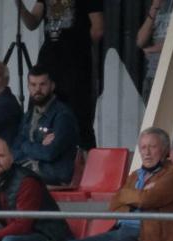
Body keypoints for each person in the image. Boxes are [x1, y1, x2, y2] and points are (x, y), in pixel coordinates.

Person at [63, 127, 173, 241]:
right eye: (143, 147)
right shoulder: (135, 174)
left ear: (165, 150)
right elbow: (115, 203)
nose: (147, 152)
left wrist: (133, 196)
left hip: (149, 238)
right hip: (122, 232)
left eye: (153, 147)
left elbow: (147, 200)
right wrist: (139, 194)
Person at [16, 0, 105, 151]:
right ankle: (37, 153)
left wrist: (79, 46)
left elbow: (98, 29)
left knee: (79, 113)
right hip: (49, 61)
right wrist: (20, 5)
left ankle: (86, 160)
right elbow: (32, 23)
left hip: (75, 62)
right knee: (39, 106)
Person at [12, 65, 80, 186]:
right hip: (32, 171)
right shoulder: (29, 115)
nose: (37, 89)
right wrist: (38, 145)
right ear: (28, 87)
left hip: (54, 175)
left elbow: (49, 153)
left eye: (42, 84)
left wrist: (25, 145)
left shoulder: (63, 116)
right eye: (33, 85)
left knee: (10, 180)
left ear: (52, 86)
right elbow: (14, 150)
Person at [136, 0, 173, 99]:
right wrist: (154, 8)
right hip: (152, 73)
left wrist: (150, 50)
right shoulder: (156, 6)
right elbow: (140, 41)